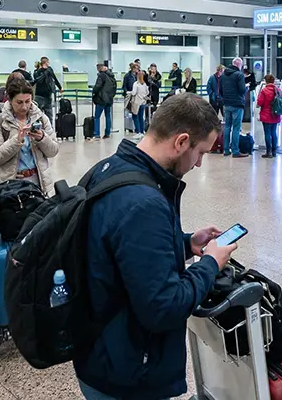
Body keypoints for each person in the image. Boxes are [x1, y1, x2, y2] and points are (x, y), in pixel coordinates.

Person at [74, 92, 236, 400]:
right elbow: (164, 307)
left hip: (100, 350)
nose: (200, 163)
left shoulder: (111, 168)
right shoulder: (143, 203)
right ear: (181, 141)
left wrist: (186, 244)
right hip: (127, 373)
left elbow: (123, 254)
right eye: (200, 152)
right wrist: (210, 264)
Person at [0, 79, 59, 194]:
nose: (24, 107)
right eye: (19, 102)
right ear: (10, 100)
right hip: (10, 186)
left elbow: (53, 151)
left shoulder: (41, 118)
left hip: (38, 183)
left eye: (28, 101)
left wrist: (42, 138)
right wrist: (16, 141)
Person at [219, 58, 248, 157]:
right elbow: (242, 90)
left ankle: (226, 150)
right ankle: (235, 151)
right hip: (237, 104)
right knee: (236, 128)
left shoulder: (223, 75)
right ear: (238, 64)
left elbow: (220, 90)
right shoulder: (239, 75)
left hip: (226, 104)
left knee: (227, 127)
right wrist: (246, 88)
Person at [256, 74, 282, 158]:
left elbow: (259, 103)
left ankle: (268, 152)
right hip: (275, 114)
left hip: (266, 115)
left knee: (267, 133)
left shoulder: (264, 91)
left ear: (266, 81)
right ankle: (274, 151)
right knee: (274, 133)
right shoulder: (278, 90)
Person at [91, 64, 117, 140]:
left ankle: (97, 134)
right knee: (108, 116)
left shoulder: (101, 76)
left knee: (97, 117)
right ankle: (107, 133)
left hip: (101, 99)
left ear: (99, 69)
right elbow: (114, 87)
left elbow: (98, 86)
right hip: (109, 99)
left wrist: (94, 92)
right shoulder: (111, 76)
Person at [33, 56, 62, 120]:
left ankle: (41, 128)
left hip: (40, 95)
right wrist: (60, 87)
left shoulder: (37, 71)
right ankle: (48, 129)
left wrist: (60, 87)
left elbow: (54, 78)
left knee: (38, 116)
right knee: (48, 116)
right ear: (46, 62)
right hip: (45, 96)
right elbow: (54, 79)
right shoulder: (43, 71)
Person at [128, 71, 150, 138]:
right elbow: (147, 92)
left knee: (135, 116)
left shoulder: (136, 84)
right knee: (141, 117)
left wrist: (129, 92)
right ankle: (142, 131)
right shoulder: (145, 84)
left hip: (136, 102)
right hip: (143, 102)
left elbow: (134, 93)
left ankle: (138, 132)